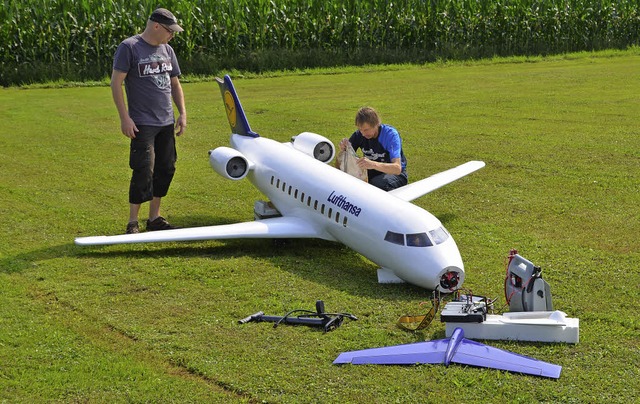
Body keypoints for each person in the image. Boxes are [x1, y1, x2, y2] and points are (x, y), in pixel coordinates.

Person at [111, 8, 187, 234]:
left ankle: (154, 218)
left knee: (166, 168)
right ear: (156, 26)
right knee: (144, 169)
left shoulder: (167, 49)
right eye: (169, 31)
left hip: (166, 122)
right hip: (142, 123)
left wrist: (182, 113)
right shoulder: (129, 48)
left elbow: (175, 84)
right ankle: (133, 222)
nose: (171, 36)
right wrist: (125, 119)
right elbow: (116, 84)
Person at [339, 107, 407, 191]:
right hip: (372, 170)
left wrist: (372, 164)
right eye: (360, 130)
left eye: (366, 130)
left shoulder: (390, 135)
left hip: (395, 174)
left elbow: (397, 168)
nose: (363, 134)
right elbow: (345, 160)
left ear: (376, 124)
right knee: (346, 179)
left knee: (376, 184)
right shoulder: (359, 135)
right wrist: (344, 149)